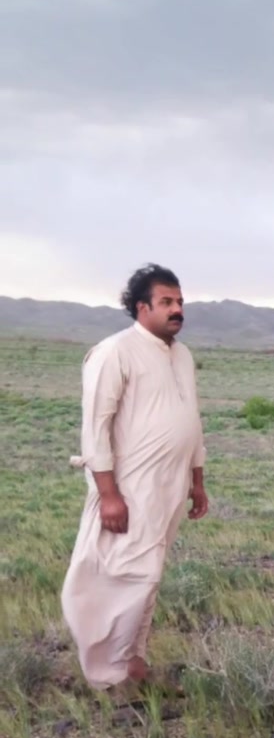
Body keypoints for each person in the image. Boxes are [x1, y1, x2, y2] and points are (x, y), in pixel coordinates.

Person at [61, 264, 209, 691]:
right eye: (166, 302)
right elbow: (96, 428)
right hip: (131, 487)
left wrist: (197, 481)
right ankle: (110, 675)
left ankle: (134, 662)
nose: (177, 309)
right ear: (142, 307)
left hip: (171, 486)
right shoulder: (115, 352)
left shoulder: (182, 355)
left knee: (150, 576)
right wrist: (109, 495)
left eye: (179, 302)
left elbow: (192, 421)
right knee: (126, 576)